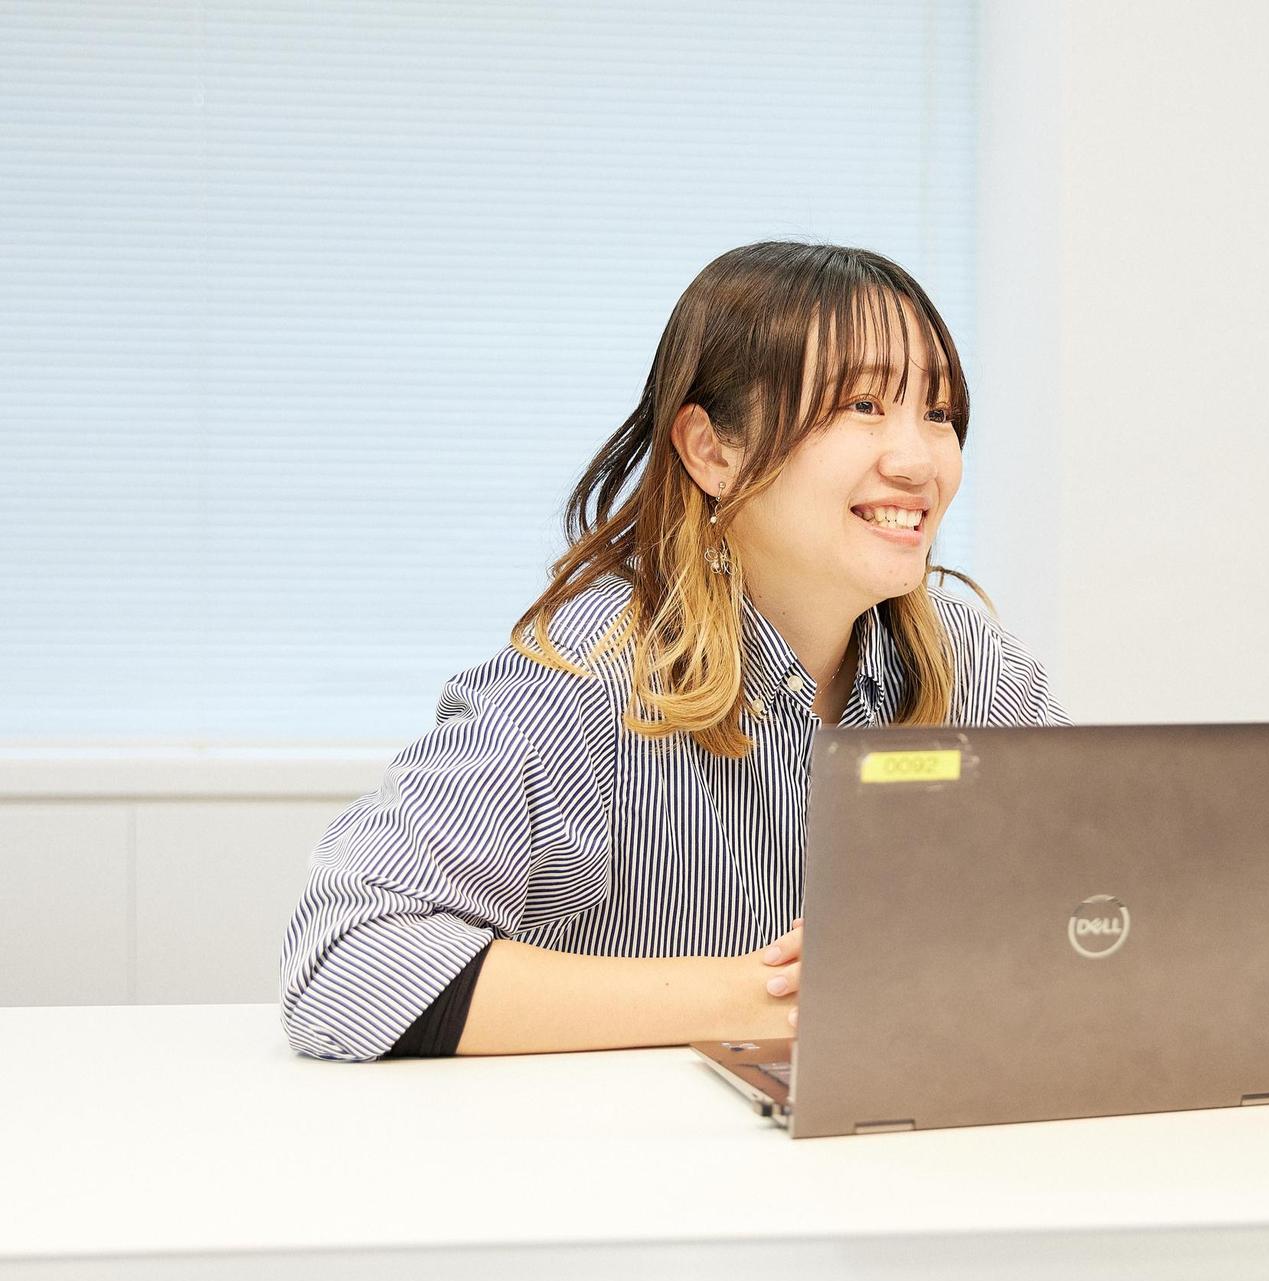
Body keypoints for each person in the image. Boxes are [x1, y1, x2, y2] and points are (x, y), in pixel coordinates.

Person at [281, 243, 1065, 1061]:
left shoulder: (974, 664)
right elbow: (348, 960)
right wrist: (775, 998)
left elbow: (1104, 916)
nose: (918, 461)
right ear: (711, 450)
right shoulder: (587, 674)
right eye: (862, 404)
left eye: (938, 412)